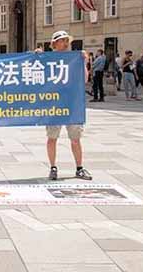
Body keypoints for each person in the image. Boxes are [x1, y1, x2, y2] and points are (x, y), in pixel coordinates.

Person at [40, 31, 92, 181]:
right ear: (54, 44)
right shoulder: (47, 59)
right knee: (52, 138)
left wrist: (83, 63)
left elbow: (84, 79)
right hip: (54, 104)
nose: (65, 43)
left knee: (75, 138)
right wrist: (37, 56)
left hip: (72, 104)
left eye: (66, 40)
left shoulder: (74, 59)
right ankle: (53, 167)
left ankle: (79, 168)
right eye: (62, 40)